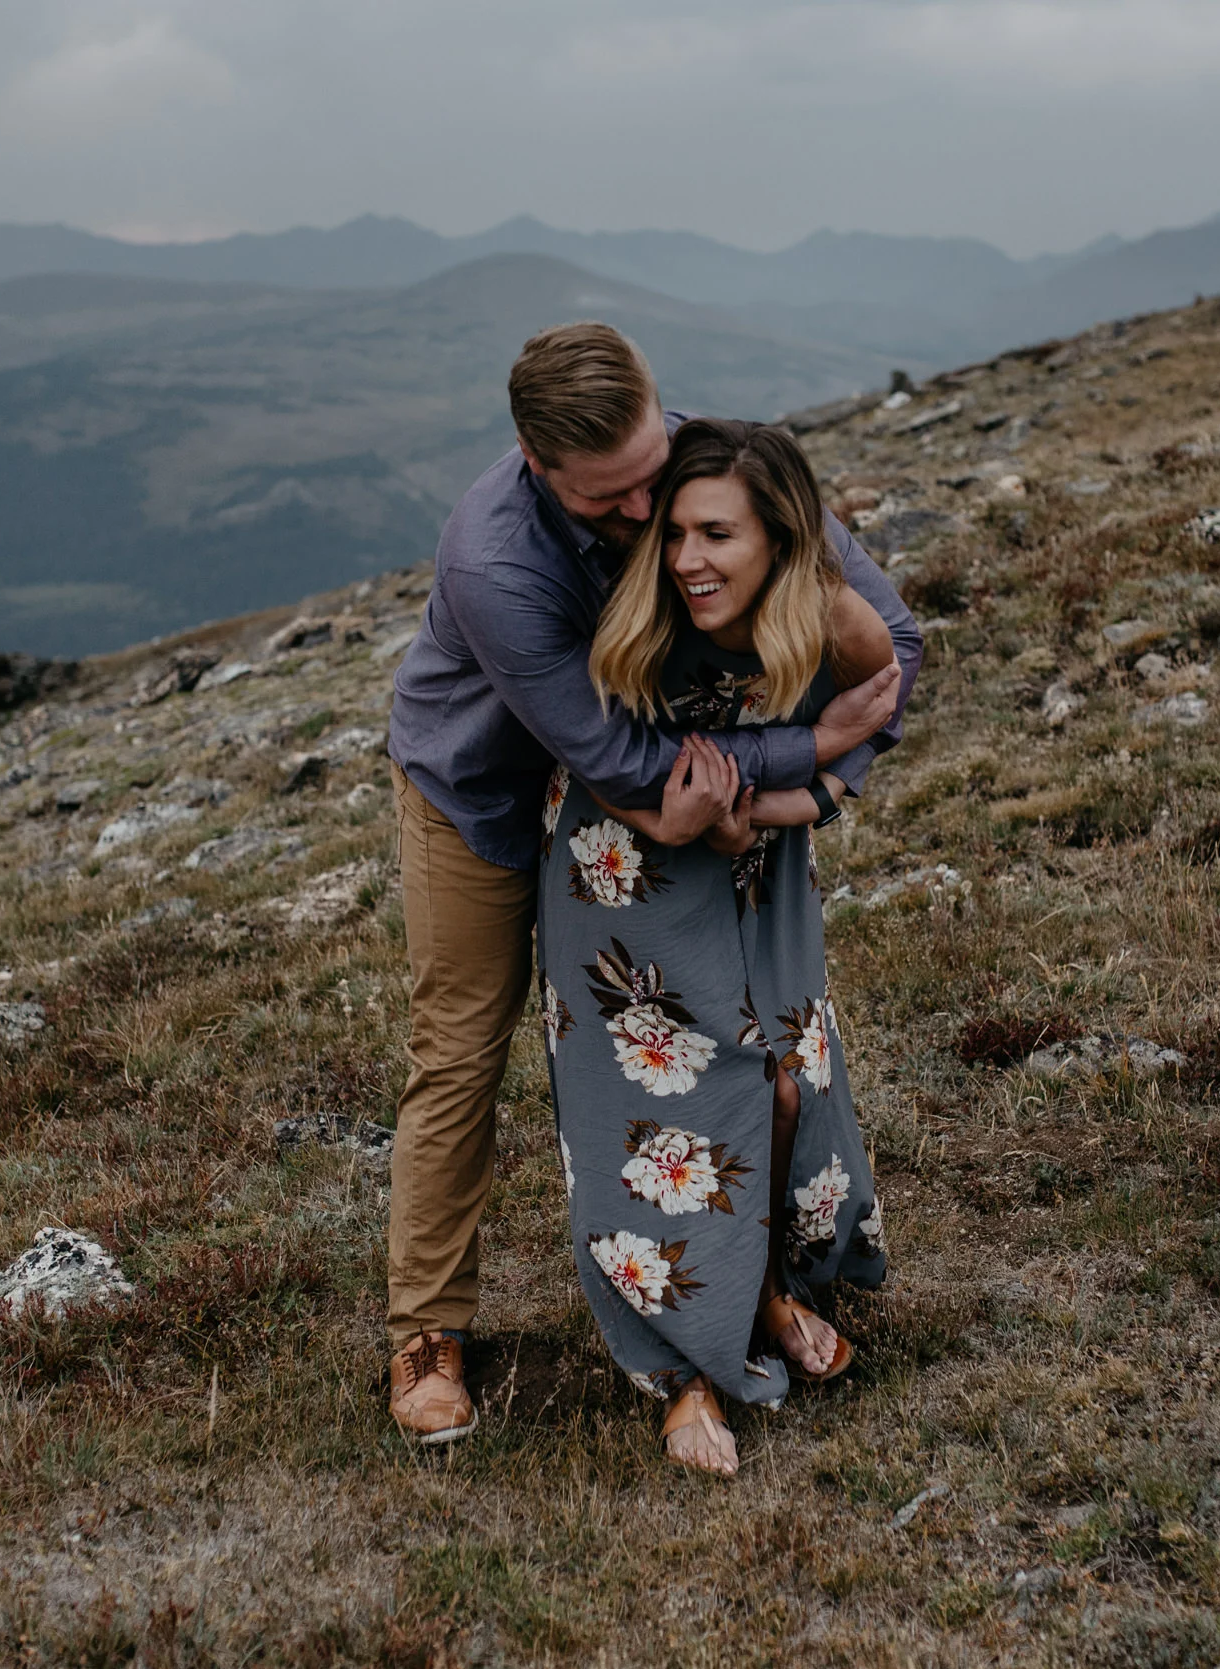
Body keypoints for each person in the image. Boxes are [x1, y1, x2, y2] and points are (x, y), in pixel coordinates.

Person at [382, 324, 921, 1445]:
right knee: (461, 1053)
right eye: (610, 504)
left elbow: (890, 648)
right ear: (538, 465)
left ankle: (753, 1285)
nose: (645, 521)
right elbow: (625, 769)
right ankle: (427, 1331)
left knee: (743, 1051)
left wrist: (819, 785)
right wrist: (803, 755)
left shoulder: (704, 466)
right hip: (489, 795)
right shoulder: (493, 560)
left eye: (651, 480)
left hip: (665, 816)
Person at [543, 416, 894, 1475]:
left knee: (784, 1082)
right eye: (676, 536)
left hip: (759, 858)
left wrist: (799, 800)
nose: (689, 560)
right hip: (627, 863)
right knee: (668, 1111)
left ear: (782, 539)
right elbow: (603, 756)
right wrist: (708, 806)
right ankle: (690, 1367)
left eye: (718, 536)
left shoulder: (828, 613)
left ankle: (769, 1285)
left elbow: (878, 705)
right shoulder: (632, 618)